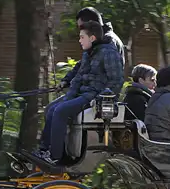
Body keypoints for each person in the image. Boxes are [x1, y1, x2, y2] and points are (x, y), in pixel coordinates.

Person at [37, 20, 124, 164]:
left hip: (94, 96)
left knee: (61, 111)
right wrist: (67, 88)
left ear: (92, 38)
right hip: (81, 93)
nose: (79, 40)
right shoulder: (88, 53)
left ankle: (55, 157)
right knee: (51, 109)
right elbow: (78, 77)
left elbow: (117, 80)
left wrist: (103, 98)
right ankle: (43, 150)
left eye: (82, 37)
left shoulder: (109, 52)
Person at [61, 7, 126, 88]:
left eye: (82, 26)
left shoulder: (109, 42)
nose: (81, 30)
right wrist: (66, 80)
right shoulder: (93, 40)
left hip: (98, 95)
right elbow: (83, 64)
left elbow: (115, 78)